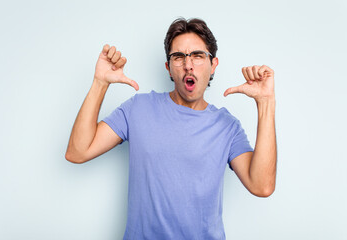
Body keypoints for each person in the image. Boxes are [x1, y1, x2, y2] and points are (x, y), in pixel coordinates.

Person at [65, 17, 277, 240]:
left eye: (198, 55)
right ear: (168, 68)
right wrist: (100, 83)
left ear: (213, 64)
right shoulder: (138, 109)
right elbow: (78, 152)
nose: (188, 64)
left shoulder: (227, 127)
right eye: (178, 57)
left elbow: (262, 186)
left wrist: (265, 102)